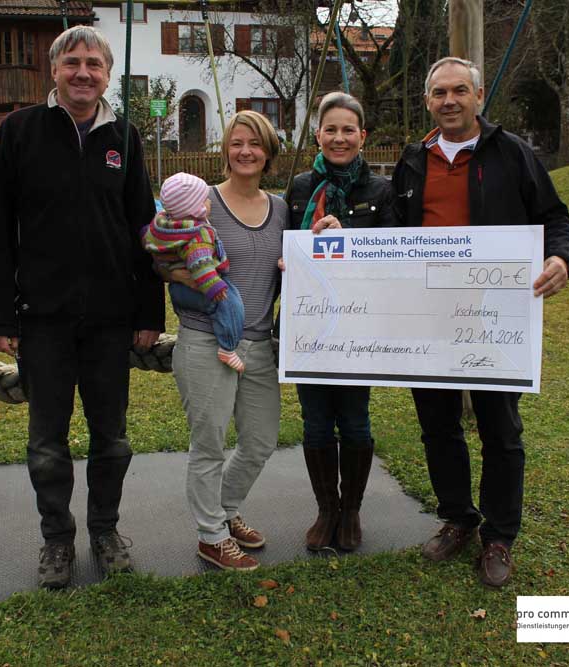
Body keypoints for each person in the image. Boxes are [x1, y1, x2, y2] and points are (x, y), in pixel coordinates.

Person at [0, 26, 163, 589]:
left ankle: (105, 532)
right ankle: (57, 540)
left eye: (94, 64)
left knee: (112, 439)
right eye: (73, 62)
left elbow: (145, 233)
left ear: (108, 75)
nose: (84, 72)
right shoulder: (19, 131)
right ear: (53, 71)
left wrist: (149, 313)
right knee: (46, 443)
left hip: (111, 319)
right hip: (43, 318)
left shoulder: (124, 138)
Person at [391, 57, 569, 587]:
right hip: (428, 318)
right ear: (427, 101)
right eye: (439, 93)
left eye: (459, 91)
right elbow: (389, 230)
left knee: (500, 428)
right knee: (437, 425)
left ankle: (498, 537)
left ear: (477, 97)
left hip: (496, 318)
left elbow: (554, 215)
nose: (449, 101)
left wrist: (559, 258)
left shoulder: (511, 153)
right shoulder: (412, 160)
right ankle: (457, 518)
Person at [170, 111, 288, 572]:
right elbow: (157, 256)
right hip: (205, 339)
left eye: (255, 144)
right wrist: (195, 275)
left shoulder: (279, 208)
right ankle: (211, 536)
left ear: (268, 152)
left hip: (260, 343)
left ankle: (223, 509)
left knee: (260, 440)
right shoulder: (201, 203)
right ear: (225, 149)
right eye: (237, 142)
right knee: (209, 444)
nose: (245, 151)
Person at [286, 92, 395, 552]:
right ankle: (325, 509)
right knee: (314, 423)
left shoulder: (381, 191)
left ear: (362, 136)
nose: (339, 137)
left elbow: (394, 257)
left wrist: (347, 241)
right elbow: (284, 243)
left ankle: (350, 511)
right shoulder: (297, 188)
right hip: (309, 325)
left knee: (354, 421)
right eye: (330, 129)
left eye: (348, 129)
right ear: (317, 135)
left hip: (358, 327)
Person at [142, 172, 246, 373]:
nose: (209, 201)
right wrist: (215, 287)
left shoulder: (164, 224)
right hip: (199, 285)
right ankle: (228, 347)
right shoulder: (198, 234)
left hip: (178, 287)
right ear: (196, 208)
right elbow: (200, 263)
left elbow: (145, 236)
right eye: (205, 199)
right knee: (231, 304)